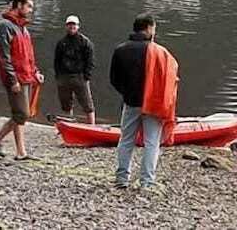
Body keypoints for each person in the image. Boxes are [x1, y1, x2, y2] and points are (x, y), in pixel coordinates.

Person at [110, 14, 179, 189]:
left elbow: (114, 79)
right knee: (151, 142)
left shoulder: (121, 50)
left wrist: (127, 93)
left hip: (131, 101)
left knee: (126, 140)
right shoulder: (160, 53)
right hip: (154, 105)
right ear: (149, 28)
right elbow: (171, 79)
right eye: (154, 28)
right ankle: (147, 182)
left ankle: (122, 178)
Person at [0, 0, 44, 161]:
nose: (30, 10)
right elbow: (4, 57)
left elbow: (28, 56)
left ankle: (20, 152)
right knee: (22, 114)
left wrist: (36, 72)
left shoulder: (23, 29)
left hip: (26, 76)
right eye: (29, 6)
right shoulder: (5, 27)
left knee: (20, 114)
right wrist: (13, 80)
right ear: (19, 5)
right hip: (16, 79)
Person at [54, 15, 96, 124]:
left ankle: (92, 126)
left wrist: (86, 77)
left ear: (78, 26)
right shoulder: (61, 43)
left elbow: (90, 61)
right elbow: (57, 61)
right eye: (69, 25)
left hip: (80, 76)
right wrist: (58, 76)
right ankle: (69, 123)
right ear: (66, 26)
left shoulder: (85, 42)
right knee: (66, 104)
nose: (71, 27)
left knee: (87, 104)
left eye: (74, 25)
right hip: (64, 77)